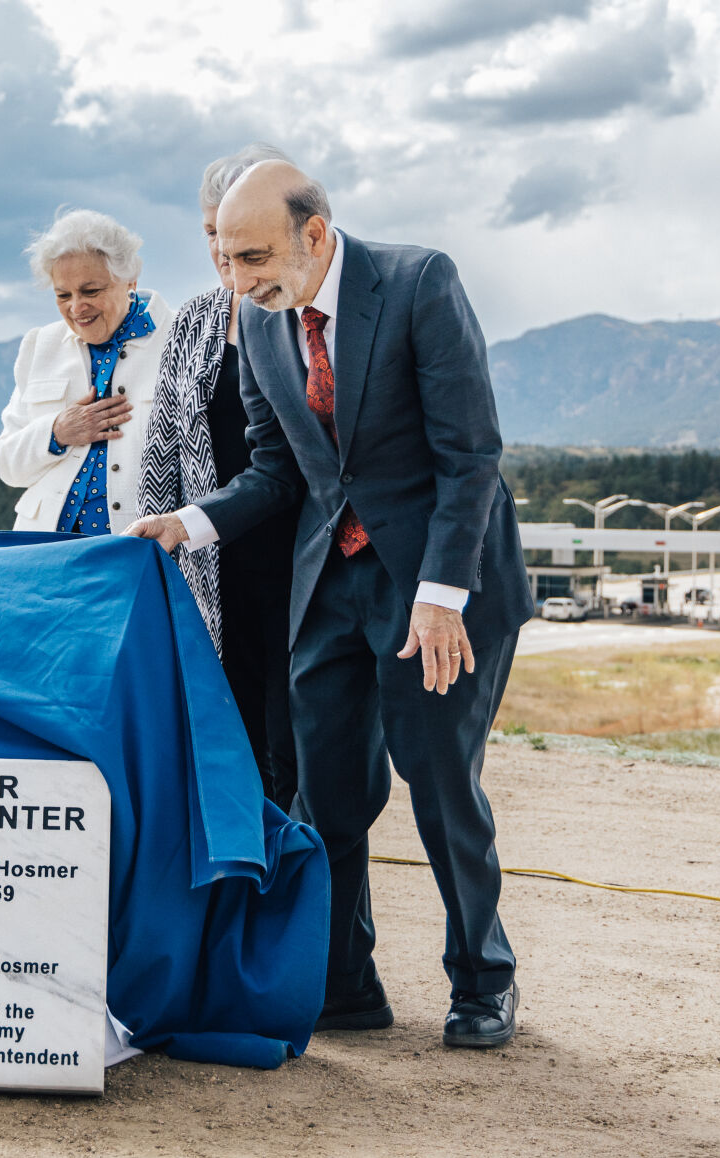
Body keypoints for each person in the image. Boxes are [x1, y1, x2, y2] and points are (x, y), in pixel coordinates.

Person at [127, 159, 534, 1049]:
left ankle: (482, 980)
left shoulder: (419, 281)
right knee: (326, 796)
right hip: (332, 584)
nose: (236, 278)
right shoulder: (262, 323)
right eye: (226, 259)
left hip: (440, 580)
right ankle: (343, 985)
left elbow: (469, 453)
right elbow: (278, 472)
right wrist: (188, 523)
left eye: (253, 255)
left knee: (440, 788)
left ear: (314, 232)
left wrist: (438, 596)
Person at [139, 143, 297, 810]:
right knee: (231, 728)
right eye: (208, 233)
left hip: (299, 558)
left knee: (298, 738)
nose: (220, 249)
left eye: (231, 234)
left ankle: (299, 875)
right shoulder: (194, 322)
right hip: (214, 564)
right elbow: (162, 447)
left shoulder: (304, 312)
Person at [0, 209, 172, 536]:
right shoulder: (40, 345)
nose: (76, 307)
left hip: (138, 550)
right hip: (43, 552)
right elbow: (6, 464)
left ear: (130, 279)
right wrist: (57, 432)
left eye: (91, 292)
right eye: (63, 295)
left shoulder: (179, 337)